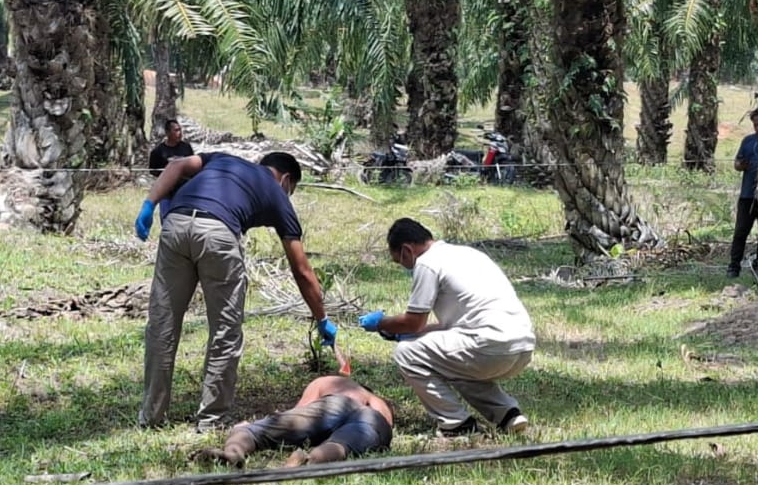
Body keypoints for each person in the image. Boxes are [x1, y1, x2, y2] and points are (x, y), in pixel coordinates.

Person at [134, 151, 338, 431]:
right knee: (225, 331)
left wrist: (149, 204)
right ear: (286, 180)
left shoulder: (223, 159)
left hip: (175, 224)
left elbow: (177, 164)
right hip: (218, 233)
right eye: (291, 190)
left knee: (162, 324)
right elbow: (302, 270)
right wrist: (321, 318)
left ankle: (151, 417)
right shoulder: (278, 196)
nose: (288, 196)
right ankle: (212, 420)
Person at [358, 218, 535, 437]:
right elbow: (450, 327)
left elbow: (414, 322)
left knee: (407, 353)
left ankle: (456, 424)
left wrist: (381, 323)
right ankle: (507, 415)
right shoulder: (468, 254)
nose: (404, 267)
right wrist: (403, 332)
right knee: (450, 359)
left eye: (399, 261)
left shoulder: (427, 263)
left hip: (489, 347)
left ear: (406, 250)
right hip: (522, 345)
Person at [196, 375, 393, 468]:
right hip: (374, 420)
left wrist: (254, 423)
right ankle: (310, 460)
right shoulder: (379, 404)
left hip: (335, 404)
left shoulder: (332, 382)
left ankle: (233, 453)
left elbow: (298, 414)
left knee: (255, 431)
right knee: (340, 445)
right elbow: (383, 434)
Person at [728, 108, 758, 278]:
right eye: (755, 125)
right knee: (741, 232)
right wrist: (741, 165)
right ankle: (733, 266)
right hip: (747, 195)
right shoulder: (748, 141)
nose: (757, 127)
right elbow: (737, 164)